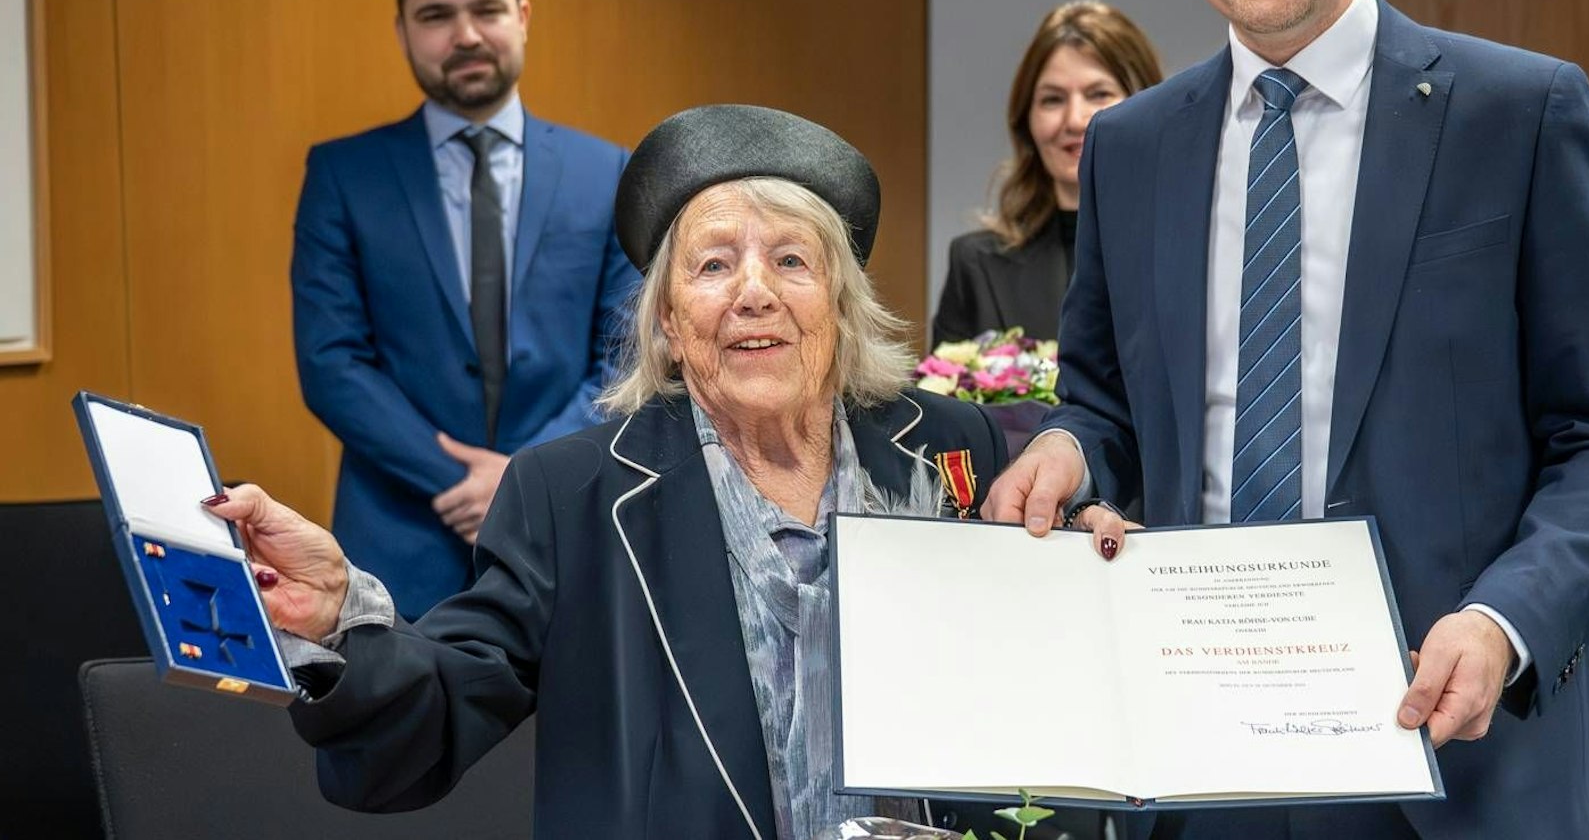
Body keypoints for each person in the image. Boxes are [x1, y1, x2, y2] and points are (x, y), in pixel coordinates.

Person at [981, 0, 1589, 838]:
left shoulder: (1519, 115)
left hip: (1458, 749)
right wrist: (1070, 445)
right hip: (1199, 759)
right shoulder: (1134, 147)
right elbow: (1105, 394)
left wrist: (1504, 620)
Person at [223, 105, 1057, 838]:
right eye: (714, 264)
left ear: (841, 302)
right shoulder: (572, 492)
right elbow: (445, 701)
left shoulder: (956, 447)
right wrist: (341, 620)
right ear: (666, 319)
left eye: (793, 262)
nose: (755, 293)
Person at [291, 0, 638, 617]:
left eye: (485, 9)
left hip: (565, 530)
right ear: (402, 31)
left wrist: (522, 479)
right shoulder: (343, 174)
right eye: (435, 16)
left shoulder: (608, 173)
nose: (466, 34)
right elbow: (332, 363)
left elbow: (627, 357)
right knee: (400, 723)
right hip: (400, 541)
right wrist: (465, 481)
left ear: (523, 16)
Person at [932, 0, 1163, 346]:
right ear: (1026, 120)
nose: (1074, 120)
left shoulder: (1197, 248)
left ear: (1148, 105)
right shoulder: (976, 264)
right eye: (1052, 99)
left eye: (1098, 94)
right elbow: (941, 398)